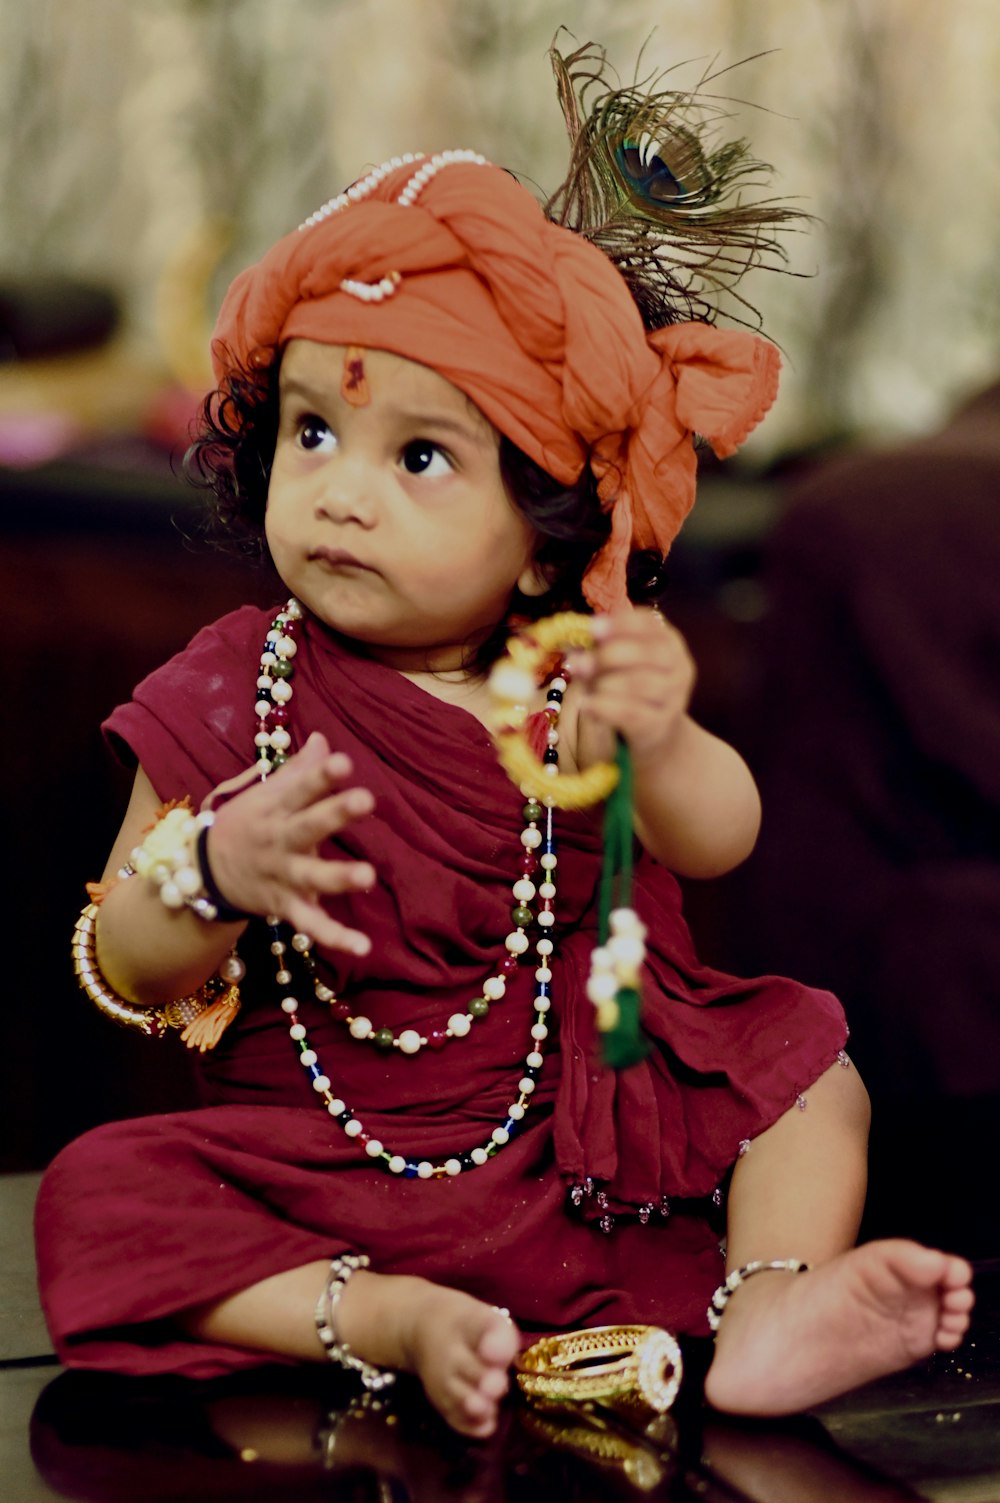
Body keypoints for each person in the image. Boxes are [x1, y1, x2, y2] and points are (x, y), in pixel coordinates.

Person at [36, 43, 973, 1440]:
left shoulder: (573, 680)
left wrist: (663, 739)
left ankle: (774, 1299)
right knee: (93, 1199)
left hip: (570, 1149)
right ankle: (385, 1316)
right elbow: (122, 959)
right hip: (321, 1165)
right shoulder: (241, 685)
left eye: (419, 459)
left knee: (808, 1066)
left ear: (546, 541)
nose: (342, 496)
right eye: (311, 432)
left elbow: (723, 838)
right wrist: (214, 874)